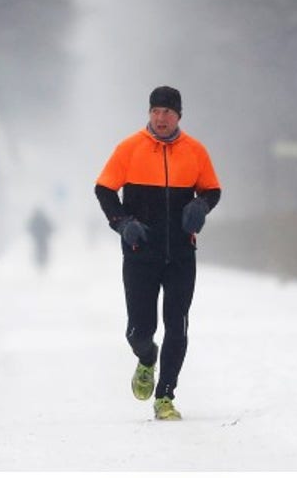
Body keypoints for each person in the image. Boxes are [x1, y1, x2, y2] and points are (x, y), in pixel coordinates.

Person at [94, 85, 221, 421]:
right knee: (139, 331)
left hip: (181, 254)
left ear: (178, 115)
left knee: (177, 326)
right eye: (155, 111)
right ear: (149, 114)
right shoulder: (129, 148)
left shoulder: (195, 151)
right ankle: (147, 358)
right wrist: (122, 223)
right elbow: (104, 189)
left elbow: (212, 190)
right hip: (140, 253)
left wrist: (200, 205)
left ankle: (165, 396)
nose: (160, 118)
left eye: (167, 112)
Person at [26, 207, 54, 271]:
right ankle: (43, 262)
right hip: (42, 238)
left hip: (38, 238)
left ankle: (40, 261)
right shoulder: (44, 219)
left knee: (39, 249)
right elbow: (50, 227)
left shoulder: (35, 219)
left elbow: (29, 227)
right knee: (42, 249)